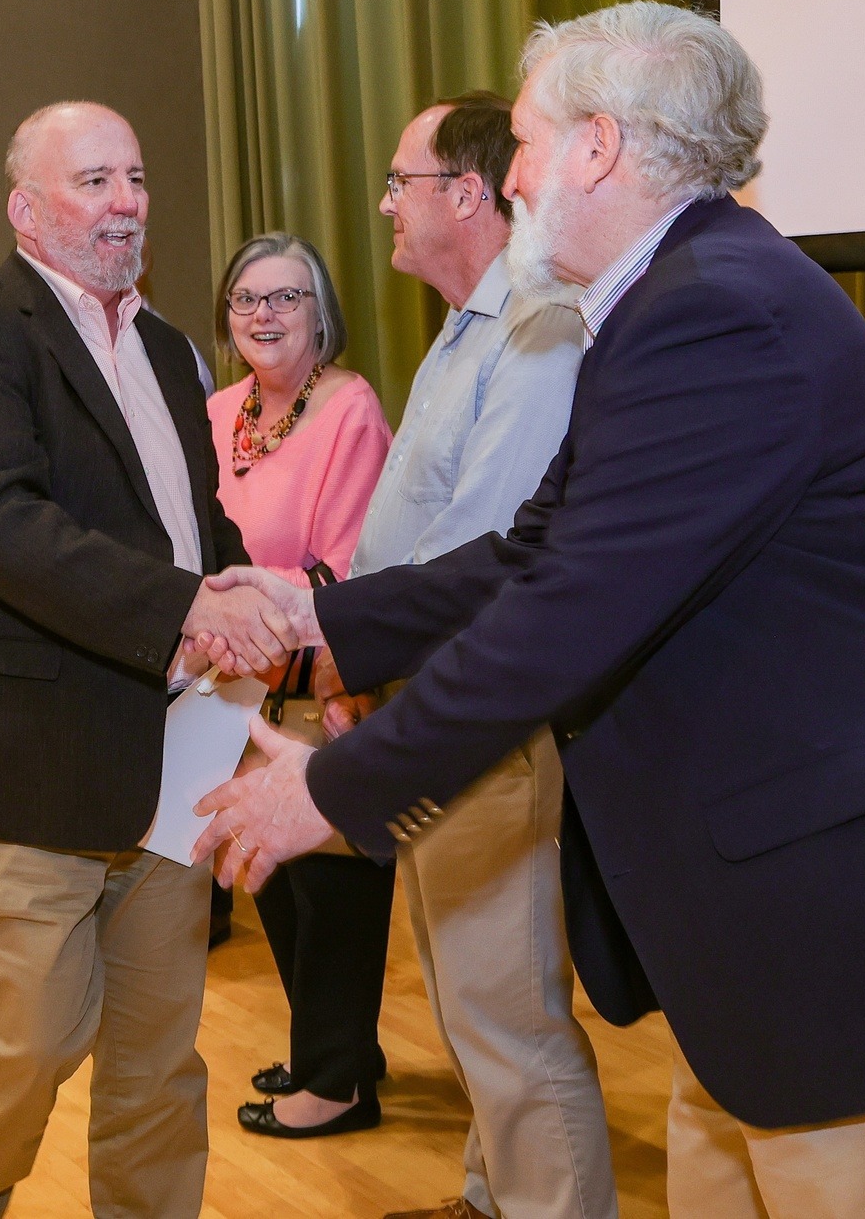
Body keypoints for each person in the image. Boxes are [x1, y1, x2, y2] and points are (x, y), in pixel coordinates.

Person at [192, 1, 865, 1218]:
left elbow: (570, 605)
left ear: (598, 148)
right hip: (769, 944)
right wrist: (315, 616)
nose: (506, 176)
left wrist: (328, 789)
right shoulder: (670, 300)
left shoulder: (712, 310)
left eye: (521, 140)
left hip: (852, 939)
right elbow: (532, 552)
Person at [0, 100, 297, 1219]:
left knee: (160, 1058)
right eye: (93, 182)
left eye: (136, 177)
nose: (125, 203)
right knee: (29, 1046)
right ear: (27, 207)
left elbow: (192, 521)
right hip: (30, 760)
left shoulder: (170, 348)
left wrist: (252, 600)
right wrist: (188, 605)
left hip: (177, 748)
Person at [342, 92, 611, 1219]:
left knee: (507, 1009)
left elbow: (486, 551)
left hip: (479, 716)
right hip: (423, 700)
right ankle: (492, 1197)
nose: (387, 206)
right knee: (467, 998)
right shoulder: (464, 330)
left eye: (401, 181)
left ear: (465, 193)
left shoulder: (537, 329)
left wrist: (345, 643)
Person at [205, 232, 394, 1137]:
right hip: (230, 688)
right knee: (271, 877)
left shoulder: (348, 407)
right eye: (247, 299)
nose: (265, 315)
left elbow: (352, 562)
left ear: (322, 313)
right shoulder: (217, 411)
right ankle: (334, 1049)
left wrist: (304, 659)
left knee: (331, 890)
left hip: (321, 681)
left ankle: (338, 1081)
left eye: (286, 297)